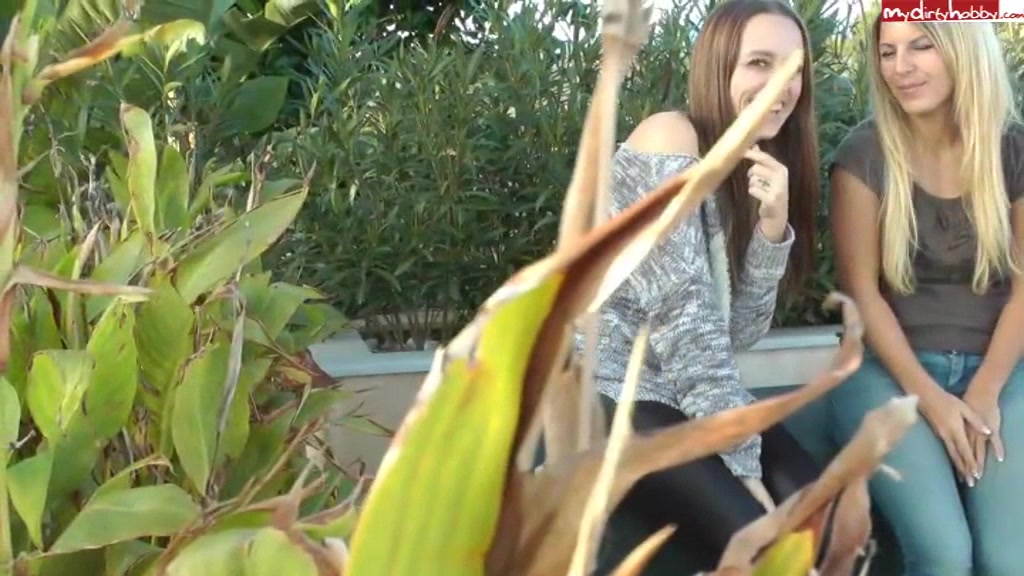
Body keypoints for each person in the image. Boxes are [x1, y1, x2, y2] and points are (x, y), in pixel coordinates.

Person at [578, 0, 829, 572]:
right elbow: (683, 322)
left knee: (823, 519)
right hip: (611, 395)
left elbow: (738, 332)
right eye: (760, 63)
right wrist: (745, 473)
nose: (781, 85)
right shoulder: (667, 140)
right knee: (763, 547)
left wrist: (771, 231)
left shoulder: (746, 168)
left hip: (681, 399)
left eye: (793, 69)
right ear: (719, 68)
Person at [827, 19, 1024, 576]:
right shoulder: (863, 154)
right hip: (889, 375)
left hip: (1002, 372)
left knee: (1008, 559)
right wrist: (933, 401)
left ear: (964, 49)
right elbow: (862, 294)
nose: (901, 67)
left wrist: (985, 390)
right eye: (888, 52)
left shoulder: (1012, 150)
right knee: (945, 555)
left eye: (920, 47)